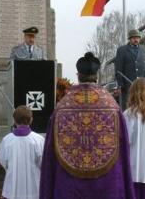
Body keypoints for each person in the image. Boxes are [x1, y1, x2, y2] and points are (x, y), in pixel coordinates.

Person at [40, 52, 135, 199]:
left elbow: (50, 153)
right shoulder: (112, 106)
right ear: (96, 76)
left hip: (70, 185)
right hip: (107, 185)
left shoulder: (61, 107)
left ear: (78, 75)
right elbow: (123, 149)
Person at [0, 105, 44, 199]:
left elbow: (3, 160)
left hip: (13, 184)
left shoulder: (7, 140)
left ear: (14, 121)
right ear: (31, 120)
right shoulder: (38, 140)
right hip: (33, 185)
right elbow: (43, 162)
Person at [115, 29, 145, 111]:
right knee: (130, 109)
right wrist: (120, 84)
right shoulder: (121, 50)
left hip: (144, 86)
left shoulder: (144, 49)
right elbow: (118, 69)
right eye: (133, 38)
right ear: (129, 39)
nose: (136, 39)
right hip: (129, 86)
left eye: (137, 37)